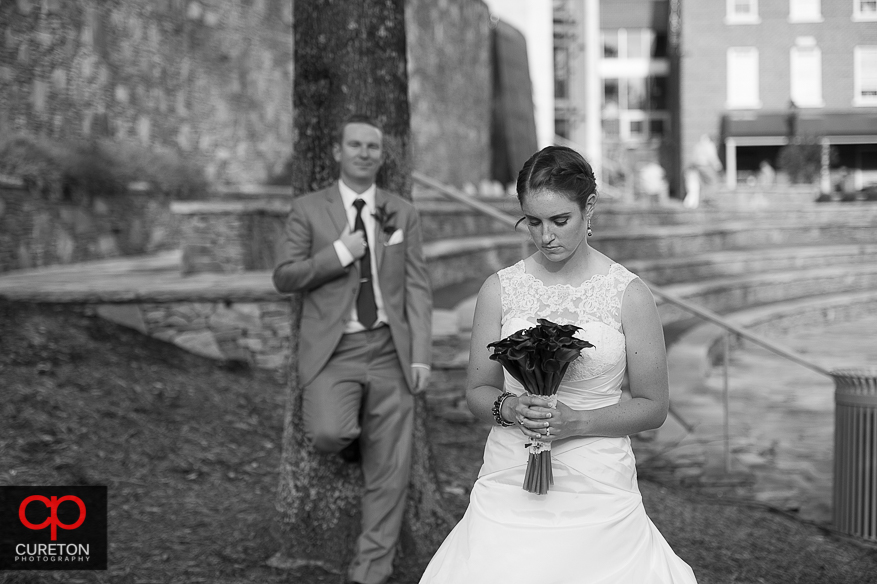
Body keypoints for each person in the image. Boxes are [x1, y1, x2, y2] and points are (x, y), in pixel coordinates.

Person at [419, 146, 697, 583]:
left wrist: (577, 423)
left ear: (589, 209)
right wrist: (509, 409)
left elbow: (653, 406)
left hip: (598, 480)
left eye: (559, 220)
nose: (545, 235)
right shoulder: (500, 289)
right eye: (533, 221)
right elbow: (477, 391)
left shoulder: (630, 294)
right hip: (510, 472)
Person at [272, 114, 432, 584]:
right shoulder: (307, 209)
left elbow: (419, 288)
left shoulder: (402, 212)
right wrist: (340, 253)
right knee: (326, 432)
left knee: (391, 470)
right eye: (355, 144)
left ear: (382, 156)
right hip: (333, 349)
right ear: (338, 152)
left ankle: (370, 570)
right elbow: (284, 276)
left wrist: (420, 353)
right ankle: (360, 435)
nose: (365, 152)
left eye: (373, 147)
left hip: (390, 349)